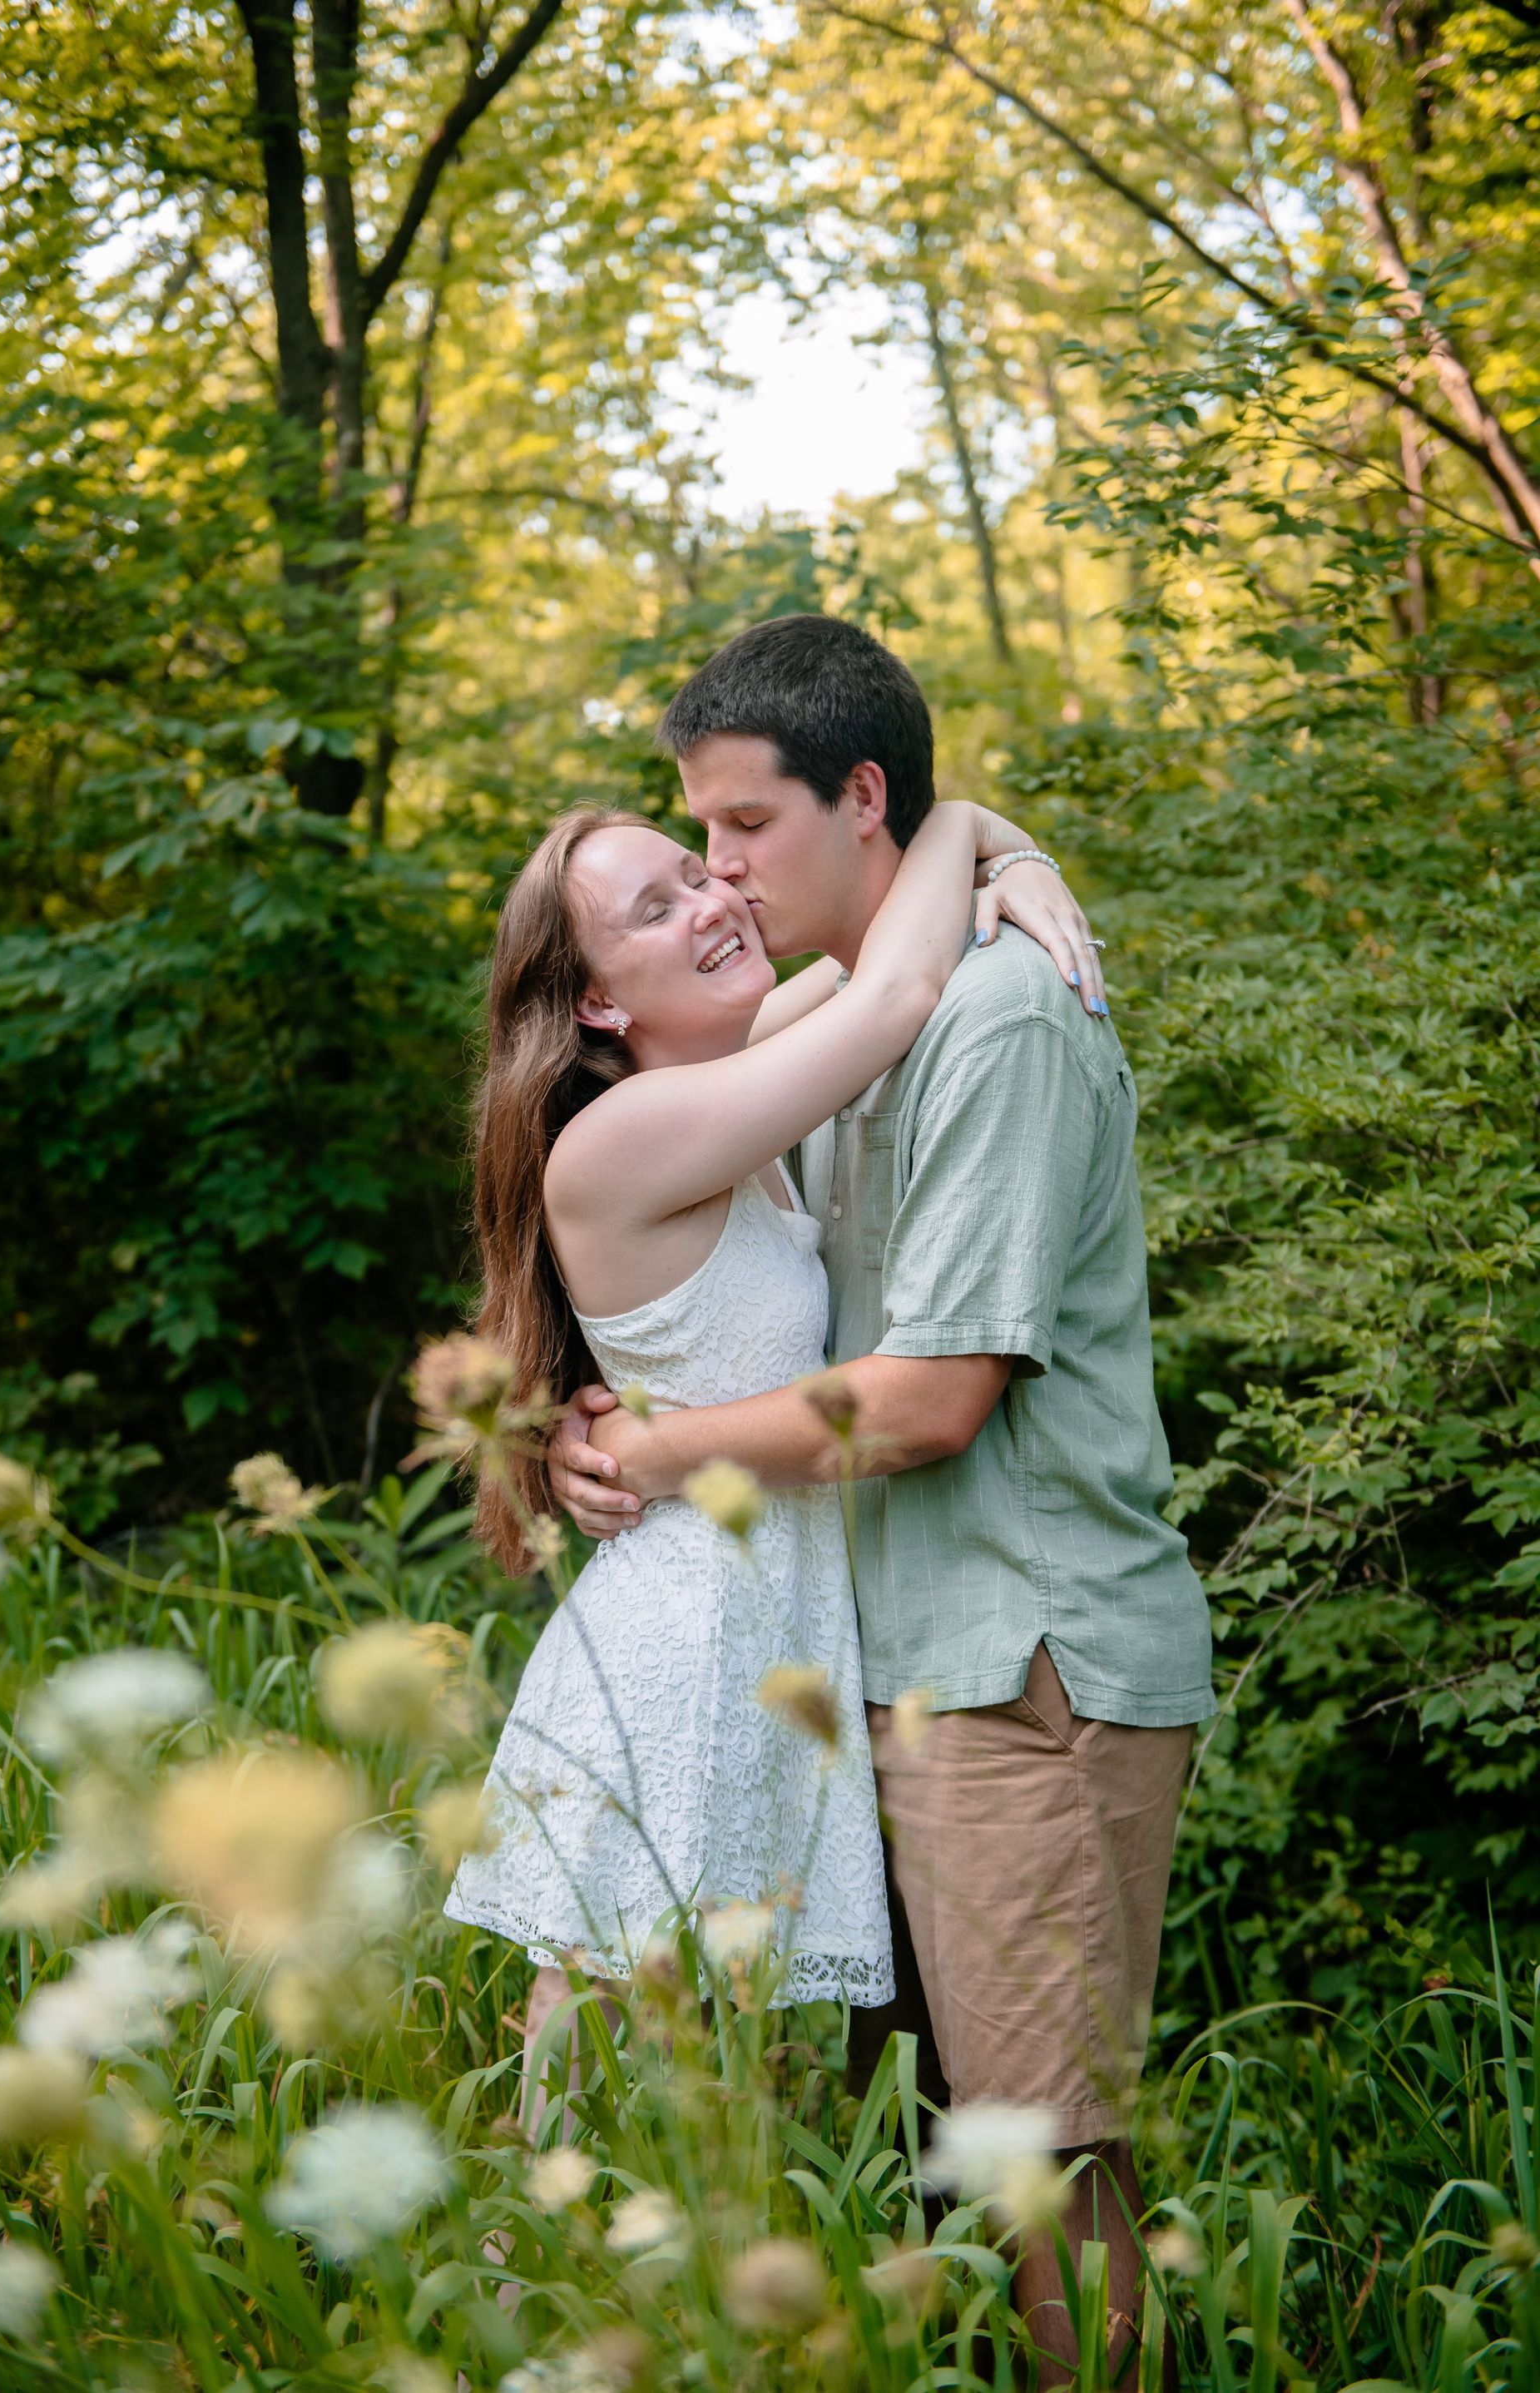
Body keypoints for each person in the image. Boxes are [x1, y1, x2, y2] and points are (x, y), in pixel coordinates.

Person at [549, 614, 1215, 2382]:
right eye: (692, 846)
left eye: (742, 831)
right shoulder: (836, 1022)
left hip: (1023, 1659)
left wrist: (653, 1451)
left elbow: (928, 1399)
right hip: (872, 1666)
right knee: (915, 2161)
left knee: (1040, 2155)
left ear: (858, 801)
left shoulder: (991, 1017)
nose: (720, 873)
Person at [444, 778, 1095, 2118]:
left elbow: (880, 969)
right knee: (601, 2084)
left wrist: (1004, 876)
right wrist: (971, 823)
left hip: (767, 1627)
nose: (716, 896)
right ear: (599, 1008)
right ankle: (519, 2323)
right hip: (692, 1650)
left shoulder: (719, 1082)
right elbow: (894, 997)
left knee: (709, 2100)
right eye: (658, 906)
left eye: (702, 871)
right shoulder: (627, 1132)